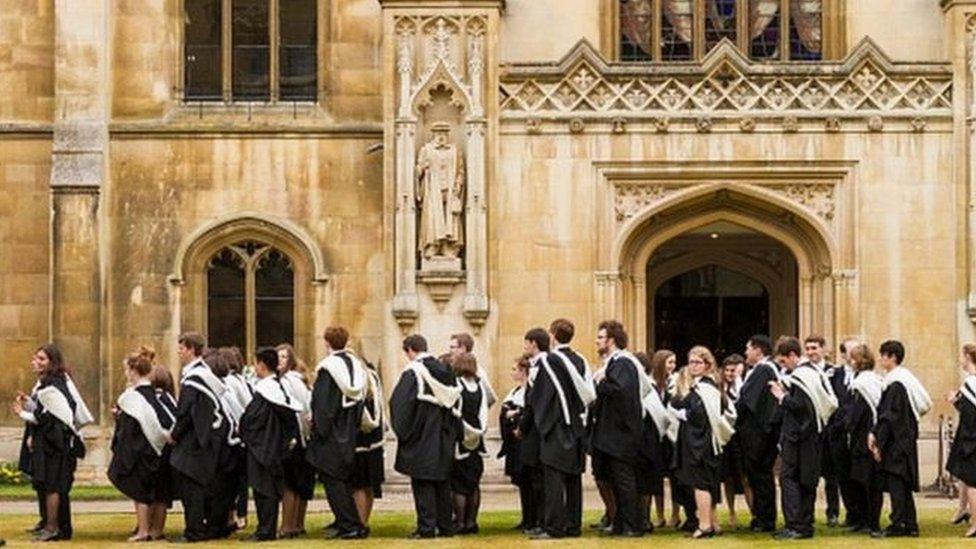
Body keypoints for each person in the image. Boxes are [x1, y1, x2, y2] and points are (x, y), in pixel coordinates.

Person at [389, 334, 462, 539]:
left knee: (423, 483)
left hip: (422, 435)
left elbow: (400, 405)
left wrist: (406, 433)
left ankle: (427, 527)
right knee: (442, 482)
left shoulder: (414, 373)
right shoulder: (447, 371)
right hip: (444, 435)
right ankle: (446, 526)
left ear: (410, 350)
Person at [13, 344, 86, 542]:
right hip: (50, 441)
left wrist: (23, 413)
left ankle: (53, 527)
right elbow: (46, 411)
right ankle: (56, 526)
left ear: (52, 363)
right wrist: (30, 404)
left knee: (54, 484)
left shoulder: (55, 385)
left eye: (42, 359)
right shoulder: (47, 384)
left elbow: (50, 417)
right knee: (48, 484)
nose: (36, 362)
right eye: (35, 358)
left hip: (56, 444)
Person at [769, 337, 837, 540]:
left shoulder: (800, 376)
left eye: (783, 361)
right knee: (807, 480)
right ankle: (805, 524)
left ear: (792, 355)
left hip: (798, 437)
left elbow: (800, 407)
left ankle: (796, 525)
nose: (783, 367)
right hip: (813, 435)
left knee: (789, 478)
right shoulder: (814, 373)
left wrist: (781, 395)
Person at [306, 327, 368, 539]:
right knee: (343, 481)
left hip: (331, 434)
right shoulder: (356, 366)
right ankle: (353, 524)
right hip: (349, 431)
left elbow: (323, 405)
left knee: (334, 482)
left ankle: (349, 525)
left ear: (327, 342)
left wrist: (317, 426)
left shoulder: (328, 369)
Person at [591, 320, 651, 537]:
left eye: (600, 337)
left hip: (620, 434)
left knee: (624, 480)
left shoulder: (623, 362)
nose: (597, 341)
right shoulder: (615, 363)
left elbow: (621, 390)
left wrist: (600, 382)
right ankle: (619, 523)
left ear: (611, 340)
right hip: (612, 433)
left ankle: (632, 525)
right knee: (615, 480)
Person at [107, 352, 176, 541]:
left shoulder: (133, 397)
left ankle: (143, 531)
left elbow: (134, 428)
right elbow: (164, 421)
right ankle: (157, 530)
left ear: (133, 371)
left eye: (127, 369)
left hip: (142, 450)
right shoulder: (157, 395)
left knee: (140, 491)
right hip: (161, 449)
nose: (126, 374)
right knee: (160, 492)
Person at [239, 347, 304, 541]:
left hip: (263, 448)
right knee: (266, 489)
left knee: (264, 490)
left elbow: (252, 420)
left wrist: (243, 430)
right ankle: (265, 528)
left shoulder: (267, 391)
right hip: (271, 447)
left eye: (256, 363)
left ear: (261, 364)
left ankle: (266, 530)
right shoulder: (275, 388)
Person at [169, 332, 229, 542]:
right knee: (198, 485)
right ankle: (202, 527)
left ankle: (194, 531)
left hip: (196, 440)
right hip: (205, 437)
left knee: (191, 486)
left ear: (192, 349)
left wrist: (174, 435)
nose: (179, 351)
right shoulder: (203, 374)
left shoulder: (195, 378)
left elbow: (185, 412)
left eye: (182, 348)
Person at [868, 340, 932, 538]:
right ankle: (910, 524)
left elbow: (889, 416)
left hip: (897, 444)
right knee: (902, 485)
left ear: (892, 357)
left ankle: (898, 525)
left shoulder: (896, 384)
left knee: (897, 484)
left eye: (883, 355)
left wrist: (878, 439)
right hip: (904, 440)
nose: (880, 359)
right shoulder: (904, 380)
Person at [671, 346, 735, 539]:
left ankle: (705, 525)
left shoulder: (706, 388)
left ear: (708, 365)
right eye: (691, 362)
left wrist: (683, 414)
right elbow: (681, 402)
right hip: (701, 442)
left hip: (701, 443)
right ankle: (713, 523)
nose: (693, 366)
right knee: (706, 484)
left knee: (701, 484)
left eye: (698, 362)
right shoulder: (701, 386)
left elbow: (699, 415)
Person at [735, 334, 781, 532]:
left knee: (761, 477)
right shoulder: (761, 370)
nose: (746, 352)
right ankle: (761, 516)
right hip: (760, 435)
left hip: (760, 436)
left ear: (758, 350)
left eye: (748, 348)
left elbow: (747, 401)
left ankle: (765, 519)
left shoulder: (764, 370)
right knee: (758, 477)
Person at [804, 335, 850, 527]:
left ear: (823, 349)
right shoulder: (803, 371)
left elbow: (839, 400)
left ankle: (833, 512)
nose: (810, 352)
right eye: (807, 348)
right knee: (810, 476)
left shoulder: (835, 373)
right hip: (812, 432)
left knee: (833, 476)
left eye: (814, 348)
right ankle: (808, 514)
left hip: (831, 431)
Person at [843, 343, 883, 535]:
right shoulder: (871, 380)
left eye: (852, 358)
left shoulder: (862, 383)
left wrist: (847, 424)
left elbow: (857, 412)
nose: (849, 361)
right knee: (862, 482)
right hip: (863, 436)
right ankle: (864, 520)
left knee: (869, 483)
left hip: (864, 438)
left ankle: (872, 522)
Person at [276, 343, 314, 538]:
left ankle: (287, 526)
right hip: (304, 438)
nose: (280, 361)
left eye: (284, 357)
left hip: (294, 437)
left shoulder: (288, 382)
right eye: (278, 357)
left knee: (290, 484)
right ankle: (297, 524)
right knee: (300, 483)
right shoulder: (302, 381)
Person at [451, 352, 489, 534]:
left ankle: (460, 522)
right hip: (477, 437)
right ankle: (472, 521)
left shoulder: (457, 385)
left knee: (459, 484)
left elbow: (454, 411)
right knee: (473, 483)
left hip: (461, 437)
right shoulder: (479, 385)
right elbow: (484, 411)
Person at [634, 352, 668, 534]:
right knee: (642, 483)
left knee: (645, 483)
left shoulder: (648, 388)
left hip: (648, 441)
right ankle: (641, 518)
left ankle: (644, 519)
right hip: (645, 441)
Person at [498, 355, 533, 531]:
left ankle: (532, 519)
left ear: (523, 371)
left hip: (524, 442)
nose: (512, 372)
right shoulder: (515, 392)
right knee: (522, 483)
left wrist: (515, 415)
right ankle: (526, 518)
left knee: (530, 482)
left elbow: (529, 412)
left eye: (515, 369)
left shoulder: (529, 391)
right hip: (514, 443)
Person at [351, 356, 385, 530]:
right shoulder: (373, 378)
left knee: (359, 485)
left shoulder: (359, 380)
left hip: (361, 440)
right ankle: (364, 521)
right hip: (374, 440)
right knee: (368, 485)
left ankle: (360, 523)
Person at [221, 347, 252, 532]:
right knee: (240, 480)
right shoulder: (240, 380)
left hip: (236, 434)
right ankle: (239, 515)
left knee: (236, 480)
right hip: (242, 435)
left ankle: (235, 516)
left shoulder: (231, 381)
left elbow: (241, 406)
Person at [146, 356, 177, 541]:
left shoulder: (162, 399)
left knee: (160, 493)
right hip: (162, 451)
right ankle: (151, 527)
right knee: (158, 492)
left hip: (162, 452)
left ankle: (156, 529)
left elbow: (169, 421)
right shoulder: (168, 398)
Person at [947, 343, 976, 537]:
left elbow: (969, 414)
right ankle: (962, 510)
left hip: (971, 437)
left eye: (963, 357)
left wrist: (955, 401)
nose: (961, 361)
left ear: (968, 358)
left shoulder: (970, 384)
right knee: (966, 478)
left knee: (972, 481)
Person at [719, 353, 747, 530]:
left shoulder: (743, 386)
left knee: (744, 477)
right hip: (725, 438)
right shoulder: (717, 387)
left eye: (733, 370)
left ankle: (754, 513)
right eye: (727, 370)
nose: (730, 374)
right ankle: (731, 512)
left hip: (741, 437)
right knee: (727, 478)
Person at [649, 350, 676, 529]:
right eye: (669, 363)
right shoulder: (650, 384)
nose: (672, 366)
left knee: (675, 477)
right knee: (656, 476)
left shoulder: (675, 383)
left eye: (674, 363)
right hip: (656, 436)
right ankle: (659, 515)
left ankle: (675, 513)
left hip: (672, 436)